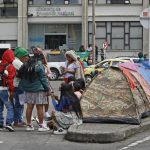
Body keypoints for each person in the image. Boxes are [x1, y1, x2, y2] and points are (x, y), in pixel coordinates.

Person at [18, 53, 51, 132]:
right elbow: (43, 78)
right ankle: (41, 125)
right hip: (38, 89)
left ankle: (29, 125)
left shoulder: (25, 65)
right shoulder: (39, 65)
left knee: (29, 107)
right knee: (40, 107)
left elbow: (20, 76)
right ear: (41, 59)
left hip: (28, 89)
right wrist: (48, 89)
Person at [12, 47, 29, 127]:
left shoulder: (17, 61)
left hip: (19, 86)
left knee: (20, 104)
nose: (26, 58)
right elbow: (27, 71)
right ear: (20, 55)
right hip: (18, 86)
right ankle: (16, 121)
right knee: (19, 104)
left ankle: (19, 120)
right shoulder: (17, 62)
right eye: (25, 56)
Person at [0, 49, 16, 131]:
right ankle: (9, 123)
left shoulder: (0, 64)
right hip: (4, 89)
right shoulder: (10, 66)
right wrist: (12, 90)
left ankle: (0, 123)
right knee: (10, 107)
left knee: (0, 107)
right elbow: (10, 80)